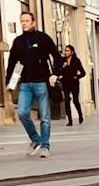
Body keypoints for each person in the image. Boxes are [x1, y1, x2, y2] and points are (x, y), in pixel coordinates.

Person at [5, 10, 63, 157]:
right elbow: (13, 63)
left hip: (42, 83)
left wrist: (55, 74)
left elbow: (56, 56)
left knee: (44, 117)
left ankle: (45, 145)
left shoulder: (43, 38)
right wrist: (9, 83)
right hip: (25, 84)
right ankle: (36, 139)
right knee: (22, 112)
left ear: (33, 22)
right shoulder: (18, 41)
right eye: (22, 21)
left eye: (26, 21)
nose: (24, 23)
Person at [58, 44, 86, 126]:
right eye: (65, 50)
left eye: (67, 51)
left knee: (75, 100)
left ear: (72, 52)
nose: (65, 52)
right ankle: (70, 120)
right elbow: (59, 71)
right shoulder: (62, 60)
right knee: (66, 100)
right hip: (65, 83)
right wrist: (63, 66)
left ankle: (80, 115)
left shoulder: (76, 61)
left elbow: (83, 73)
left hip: (74, 84)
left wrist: (76, 77)